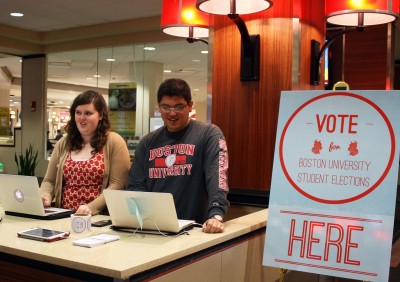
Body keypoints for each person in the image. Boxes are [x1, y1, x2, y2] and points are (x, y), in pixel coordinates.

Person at [128, 78, 229, 233]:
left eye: (179, 107)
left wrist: (216, 215)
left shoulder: (208, 134)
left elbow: (217, 177)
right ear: (159, 107)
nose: (172, 113)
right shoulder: (147, 142)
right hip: (154, 228)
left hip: (194, 230)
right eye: (166, 107)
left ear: (190, 106)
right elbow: (136, 185)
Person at [40, 90, 131, 215]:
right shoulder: (64, 142)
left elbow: (117, 184)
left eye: (88, 113)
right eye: (78, 113)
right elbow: (49, 180)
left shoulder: (114, 141)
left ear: (100, 115)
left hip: (98, 218)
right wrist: (45, 196)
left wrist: (91, 207)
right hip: (64, 216)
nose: (82, 118)